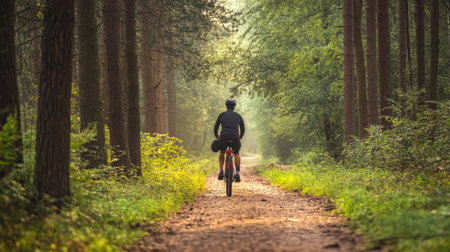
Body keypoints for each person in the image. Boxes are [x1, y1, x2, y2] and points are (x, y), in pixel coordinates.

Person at [214, 98, 245, 182]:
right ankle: (237, 173)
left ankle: (221, 171)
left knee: (222, 152)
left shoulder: (221, 115)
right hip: (235, 137)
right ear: (234, 106)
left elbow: (215, 128)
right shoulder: (238, 116)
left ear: (226, 106)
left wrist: (217, 136)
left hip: (224, 136)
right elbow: (242, 129)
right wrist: (240, 136)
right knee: (236, 153)